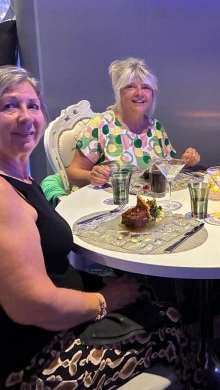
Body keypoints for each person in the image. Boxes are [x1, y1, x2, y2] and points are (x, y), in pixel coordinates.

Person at [0, 66, 202, 389]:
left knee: (151, 293)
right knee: (172, 323)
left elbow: (166, 168)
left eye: (33, 105)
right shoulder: (4, 197)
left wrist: (99, 289)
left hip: (58, 316)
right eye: (9, 106)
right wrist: (104, 299)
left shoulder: (19, 178)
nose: (26, 116)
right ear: (118, 92)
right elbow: (33, 305)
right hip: (35, 359)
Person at [67, 57, 201, 189]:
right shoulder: (101, 125)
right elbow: (73, 172)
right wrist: (92, 176)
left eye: (146, 87)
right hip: (113, 199)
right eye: (131, 86)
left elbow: (165, 170)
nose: (139, 93)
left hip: (150, 199)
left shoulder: (156, 127)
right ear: (119, 92)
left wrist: (185, 161)